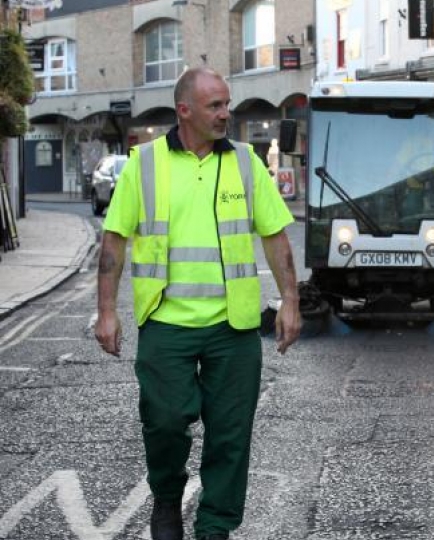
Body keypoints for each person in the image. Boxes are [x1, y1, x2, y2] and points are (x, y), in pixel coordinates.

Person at [95, 66, 302, 540]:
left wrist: (290, 301)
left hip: (234, 328)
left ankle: (215, 529)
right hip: (166, 324)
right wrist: (107, 311)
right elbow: (114, 241)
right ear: (184, 111)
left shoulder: (247, 162)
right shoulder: (144, 164)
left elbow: (275, 236)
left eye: (227, 103)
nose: (226, 113)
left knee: (231, 438)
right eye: (215, 105)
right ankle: (167, 498)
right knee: (164, 423)